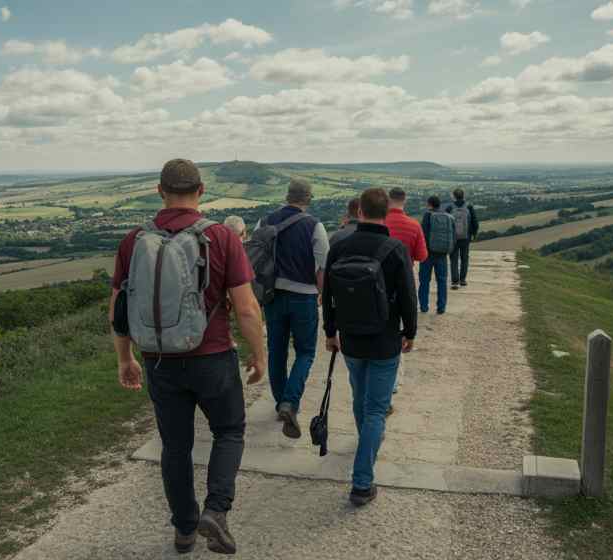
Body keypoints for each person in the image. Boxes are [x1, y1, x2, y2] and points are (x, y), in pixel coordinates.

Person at [110, 159, 266, 555]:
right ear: (201, 191)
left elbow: (118, 308)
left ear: (159, 191)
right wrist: (259, 354)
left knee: (174, 446)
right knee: (229, 431)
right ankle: (216, 510)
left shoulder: (133, 241)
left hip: (159, 360)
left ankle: (183, 529)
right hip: (212, 356)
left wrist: (125, 359)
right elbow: (246, 308)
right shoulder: (221, 237)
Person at [323, 188, 418, 507]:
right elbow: (408, 295)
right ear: (386, 212)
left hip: (350, 338)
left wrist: (330, 332)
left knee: (360, 400)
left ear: (359, 211)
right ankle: (362, 483)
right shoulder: (395, 249)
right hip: (385, 339)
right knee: (376, 409)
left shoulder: (340, 244)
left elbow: (328, 296)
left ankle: (367, 440)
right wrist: (410, 332)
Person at [259, 178, 330, 439]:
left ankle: (281, 403)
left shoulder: (265, 221)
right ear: (308, 199)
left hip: (273, 296)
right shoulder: (315, 226)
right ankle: (290, 402)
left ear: (287, 196)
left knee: (276, 350)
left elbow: (258, 256)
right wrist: (323, 295)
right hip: (304, 296)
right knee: (305, 352)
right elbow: (323, 267)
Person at [383, 187, 427, 408]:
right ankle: (393, 381)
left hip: (376, 283)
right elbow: (421, 256)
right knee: (398, 329)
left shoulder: (380, 223)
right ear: (405, 201)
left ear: (388, 201)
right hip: (405, 280)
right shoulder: (413, 225)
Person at [418, 196, 450, 314]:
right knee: (442, 281)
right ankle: (441, 307)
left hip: (427, 253)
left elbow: (422, 235)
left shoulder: (427, 215)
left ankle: (424, 306)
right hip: (442, 253)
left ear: (429, 204)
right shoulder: (446, 216)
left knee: (424, 280)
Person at [448, 188, 479, 289]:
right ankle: (463, 280)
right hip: (466, 237)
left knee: (454, 259)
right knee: (464, 258)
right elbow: (475, 222)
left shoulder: (449, 207)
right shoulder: (469, 207)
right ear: (463, 195)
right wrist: (474, 234)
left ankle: (455, 281)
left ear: (454, 196)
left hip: (453, 238)